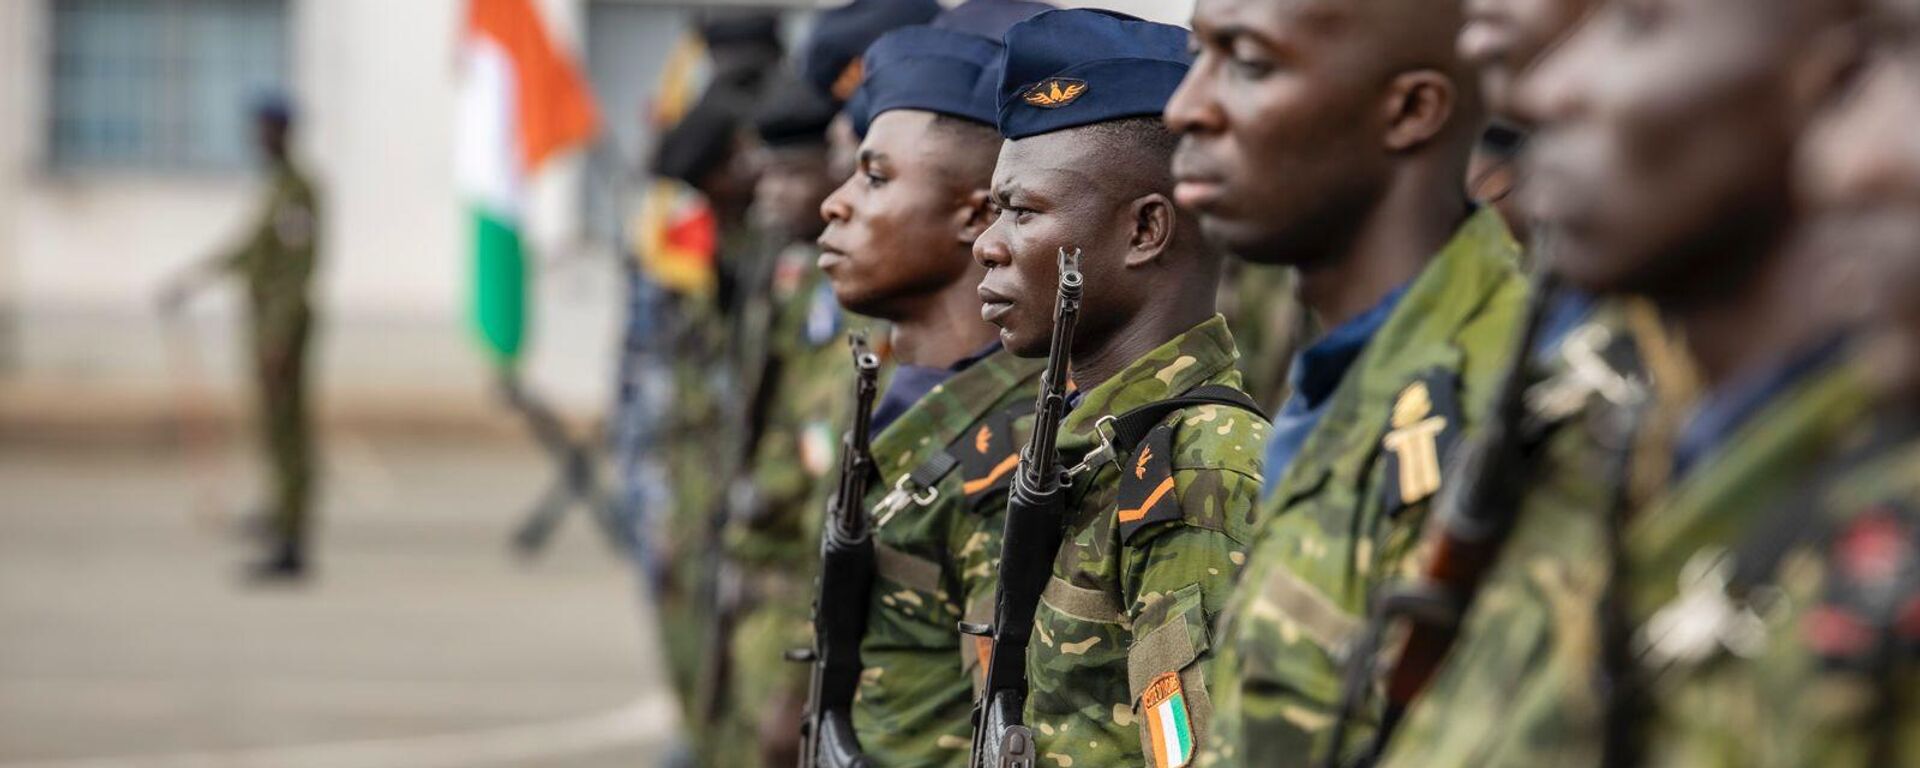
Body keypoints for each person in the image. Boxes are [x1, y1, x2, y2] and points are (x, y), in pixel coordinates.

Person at [1386, 0, 1887, 764]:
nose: (1543, 91)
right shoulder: (1618, 426)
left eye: (1639, 22)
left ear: (1839, 83)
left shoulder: (1871, 533)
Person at [1165, 0, 1527, 761]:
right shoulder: (1352, 374)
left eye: (1250, 64)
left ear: (1411, 110)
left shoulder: (1497, 411)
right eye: (1200, 57)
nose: (1185, 108)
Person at [973, 10, 1271, 765]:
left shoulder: (1197, 466)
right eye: (993, 209)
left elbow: (1187, 752)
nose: (988, 243)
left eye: (1022, 210)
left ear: (1145, 231)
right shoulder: (1087, 442)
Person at [812, 22, 1044, 765]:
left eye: (876, 179)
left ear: (975, 216)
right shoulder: (902, 398)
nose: (834, 204)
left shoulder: (1013, 444)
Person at [710, 73, 854, 768]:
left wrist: (797, 682)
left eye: (786, 175)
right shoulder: (801, 285)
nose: (768, 195)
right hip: (767, 603)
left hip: (804, 628)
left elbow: (829, 521)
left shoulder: (868, 318)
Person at [160, 96, 321, 581]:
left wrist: (278, 335)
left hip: (283, 327)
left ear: (285, 132)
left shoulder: (298, 192)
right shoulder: (276, 188)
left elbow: (298, 270)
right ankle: (280, 516)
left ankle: (293, 541)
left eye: (267, 129)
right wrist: (191, 281)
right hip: (266, 323)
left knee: (288, 431)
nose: (259, 139)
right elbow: (248, 250)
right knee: (273, 429)